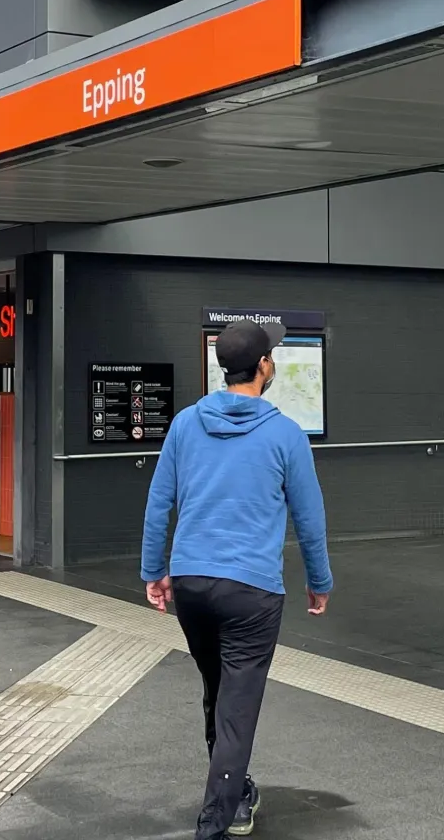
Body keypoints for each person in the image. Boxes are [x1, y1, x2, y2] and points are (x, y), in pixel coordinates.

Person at [141, 318, 333, 840]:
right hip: (252, 591)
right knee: (238, 707)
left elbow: (160, 502)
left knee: (218, 691)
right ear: (264, 367)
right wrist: (320, 581)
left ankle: (235, 788)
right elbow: (309, 519)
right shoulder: (285, 435)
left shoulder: (184, 424)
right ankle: (217, 821)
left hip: (193, 586)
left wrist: (153, 572)